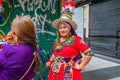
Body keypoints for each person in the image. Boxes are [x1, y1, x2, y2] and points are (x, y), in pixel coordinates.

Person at [46, 1, 93, 80]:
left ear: (70, 28)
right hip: (54, 70)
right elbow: (54, 54)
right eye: (60, 28)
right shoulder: (57, 40)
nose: (62, 30)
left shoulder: (76, 40)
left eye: (65, 27)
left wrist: (81, 65)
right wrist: (50, 61)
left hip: (68, 72)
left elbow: (89, 53)